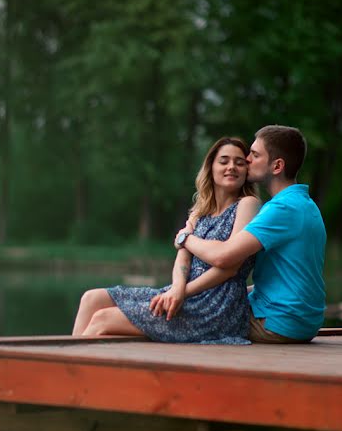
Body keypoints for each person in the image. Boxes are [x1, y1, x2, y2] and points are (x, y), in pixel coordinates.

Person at [71, 137, 262, 343]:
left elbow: (230, 265)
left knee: (102, 319)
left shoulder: (248, 204)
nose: (231, 167)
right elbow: (183, 256)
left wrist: (182, 288)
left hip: (217, 306)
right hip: (183, 293)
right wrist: (176, 289)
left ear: (246, 171)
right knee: (92, 298)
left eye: (239, 162)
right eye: (224, 161)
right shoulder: (200, 211)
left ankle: (71, 372)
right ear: (211, 167)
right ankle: (67, 368)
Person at [175, 125, 326, 343]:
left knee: (182, 314)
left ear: (277, 166)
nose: (247, 160)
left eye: (255, 155)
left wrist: (186, 238)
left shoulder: (282, 210)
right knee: (204, 301)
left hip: (277, 323)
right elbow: (287, 280)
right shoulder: (304, 204)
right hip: (302, 319)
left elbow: (224, 256)